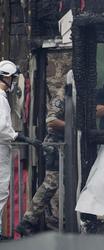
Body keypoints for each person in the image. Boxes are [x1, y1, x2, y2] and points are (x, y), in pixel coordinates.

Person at [16, 86, 65, 236]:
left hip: (64, 148)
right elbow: (51, 121)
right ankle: (27, 221)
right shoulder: (60, 99)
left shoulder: (78, 99)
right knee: (50, 184)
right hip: (55, 147)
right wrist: (72, 127)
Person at [0, 60, 41, 240]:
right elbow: (1, 128)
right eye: (13, 78)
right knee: (0, 192)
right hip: (0, 151)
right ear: (7, 77)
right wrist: (20, 137)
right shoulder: (0, 98)